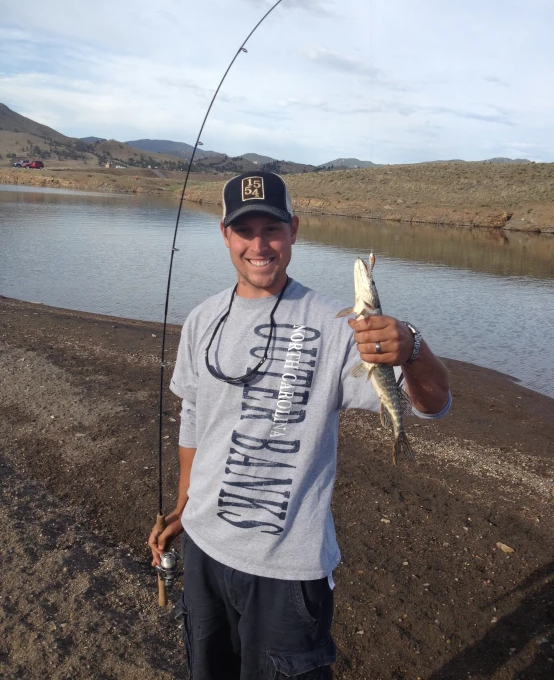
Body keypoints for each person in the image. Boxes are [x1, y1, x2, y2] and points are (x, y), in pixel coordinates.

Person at [148, 170, 451, 679]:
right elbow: (195, 421)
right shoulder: (201, 320)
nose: (259, 245)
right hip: (203, 553)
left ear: (294, 229)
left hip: (286, 572)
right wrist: (183, 508)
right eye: (245, 231)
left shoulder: (339, 327)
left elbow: (434, 404)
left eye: (272, 229)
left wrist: (413, 348)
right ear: (225, 234)